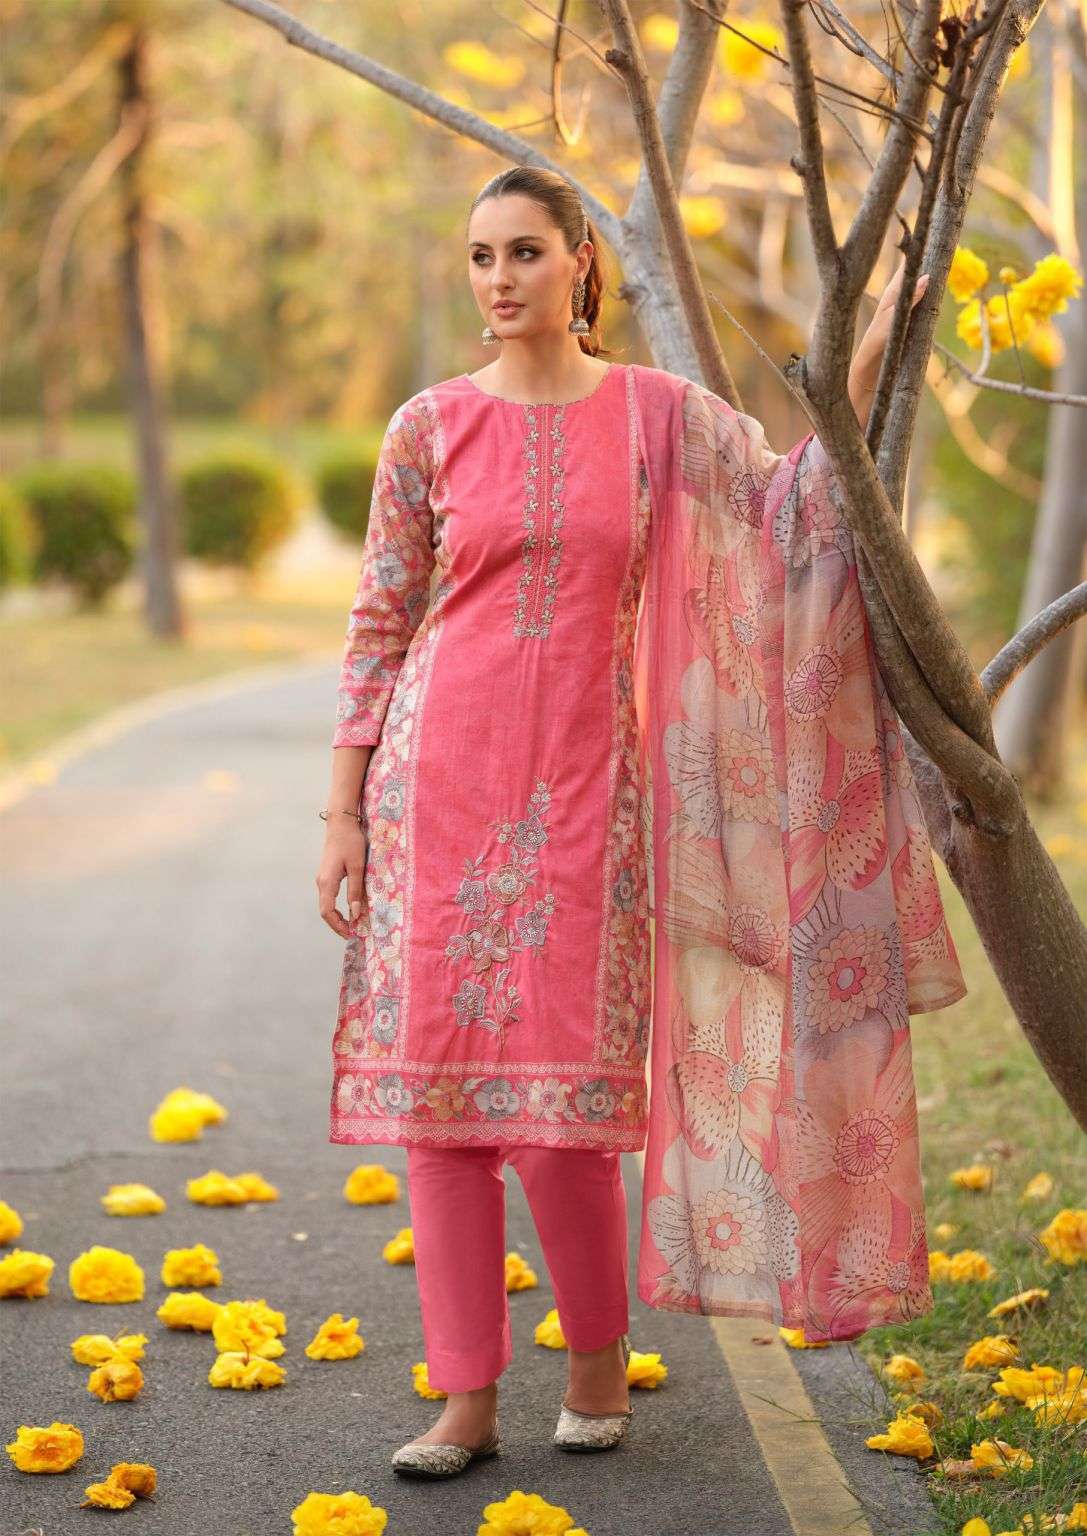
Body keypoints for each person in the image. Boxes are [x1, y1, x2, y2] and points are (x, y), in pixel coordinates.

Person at [315, 166, 966, 1479]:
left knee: (561, 1117)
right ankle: (464, 1400)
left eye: (524, 252)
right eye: (481, 256)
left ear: (581, 264)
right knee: (442, 1116)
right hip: (430, 794)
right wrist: (343, 809)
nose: (500, 278)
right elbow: (381, 620)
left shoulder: (657, 418)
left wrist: (868, 339)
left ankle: (596, 1364)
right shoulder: (427, 426)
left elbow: (785, 503)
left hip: (589, 796)